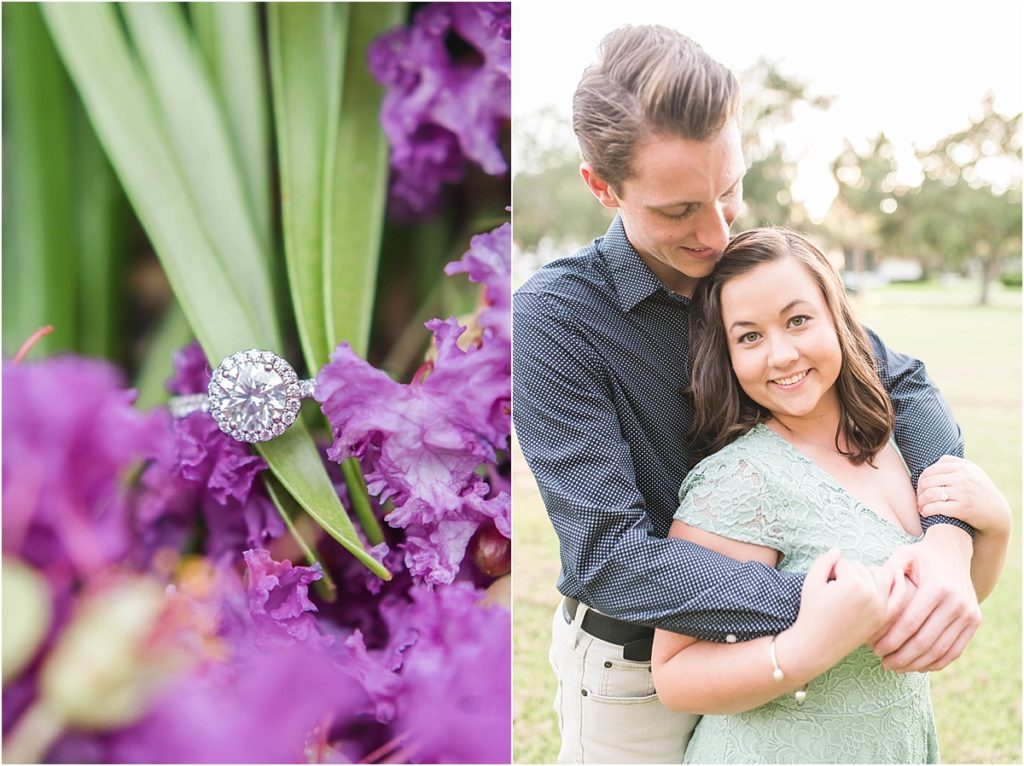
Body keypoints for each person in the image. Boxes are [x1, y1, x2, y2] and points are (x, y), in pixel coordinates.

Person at [512, 24, 984, 764]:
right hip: (638, 676)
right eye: (678, 211)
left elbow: (901, 382)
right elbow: (608, 554)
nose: (717, 230)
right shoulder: (557, 319)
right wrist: (819, 602)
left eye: (728, 189)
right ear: (601, 187)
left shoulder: (750, 266)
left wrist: (950, 541)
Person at [649, 228, 1011, 763]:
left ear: (837, 317)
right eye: (749, 337)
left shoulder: (897, 442)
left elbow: (942, 607)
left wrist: (997, 527)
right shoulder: (740, 478)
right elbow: (675, 674)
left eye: (798, 321)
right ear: (726, 354)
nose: (781, 355)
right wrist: (802, 649)